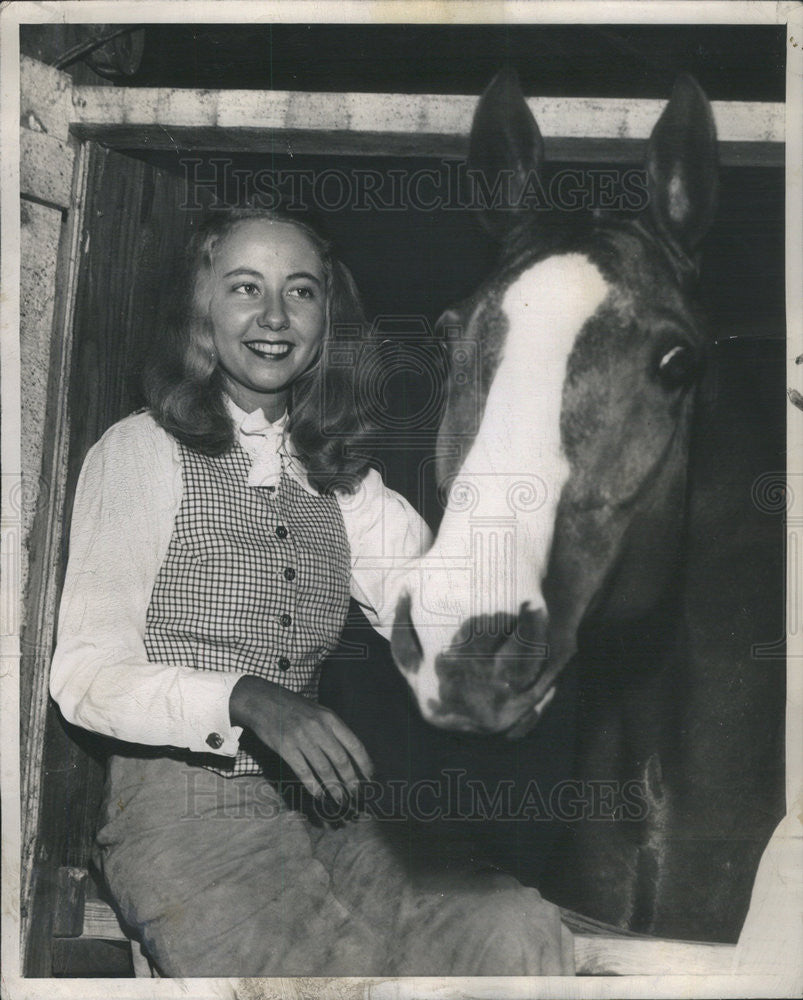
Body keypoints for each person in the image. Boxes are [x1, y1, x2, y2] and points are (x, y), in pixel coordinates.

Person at [50, 207, 574, 977]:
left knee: (509, 929)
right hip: (182, 825)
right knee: (337, 977)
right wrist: (246, 697)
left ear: (329, 318)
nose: (273, 316)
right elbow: (84, 676)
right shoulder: (141, 452)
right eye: (244, 288)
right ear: (202, 309)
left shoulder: (341, 485)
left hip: (328, 817)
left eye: (300, 292)